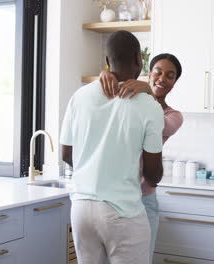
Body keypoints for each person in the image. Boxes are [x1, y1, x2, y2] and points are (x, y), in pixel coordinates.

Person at [60, 30, 164, 264]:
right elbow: (153, 174)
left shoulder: (79, 96)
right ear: (140, 59)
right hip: (121, 211)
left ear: (107, 62)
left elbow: (66, 152)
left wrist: (96, 167)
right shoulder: (149, 107)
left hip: (81, 208)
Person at [99, 53, 184, 263]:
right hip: (114, 196)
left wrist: (149, 94)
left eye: (170, 76)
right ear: (149, 72)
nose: (162, 79)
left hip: (144, 199)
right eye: (158, 72)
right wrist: (105, 75)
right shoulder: (129, 99)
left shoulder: (173, 116)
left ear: (174, 83)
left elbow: (156, 122)